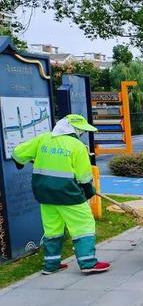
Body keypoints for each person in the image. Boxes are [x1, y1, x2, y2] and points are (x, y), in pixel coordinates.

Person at [11, 114, 110, 274]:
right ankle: (88, 263)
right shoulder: (77, 146)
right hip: (68, 194)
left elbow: (17, 154)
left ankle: (51, 265)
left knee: (52, 229)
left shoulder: (42, 139)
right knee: (83, 226)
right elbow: (84, 177)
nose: (82, 133)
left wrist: (25, 162)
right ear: (76, 129)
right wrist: (88, 190)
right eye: (81, 131)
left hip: (45, 194)